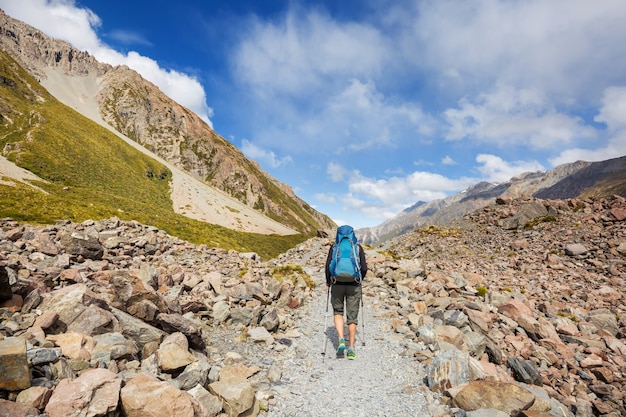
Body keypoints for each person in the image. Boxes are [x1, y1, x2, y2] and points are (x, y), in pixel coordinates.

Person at [324, 226, 367, 360]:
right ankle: (351, 348)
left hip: (337, 283)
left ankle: (341, 339)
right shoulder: (358, 248)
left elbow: (328, 267)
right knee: (352, 316)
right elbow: (364, 268)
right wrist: (359, 279)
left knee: (338, 311)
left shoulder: (334, 247)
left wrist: (328, 281)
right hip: (354, 284)